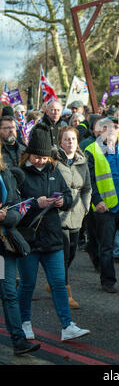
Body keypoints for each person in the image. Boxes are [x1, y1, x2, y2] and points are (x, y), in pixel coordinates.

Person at [16, 124, 90, 341]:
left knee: (59, 283)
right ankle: (24, 322)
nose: (40, 160)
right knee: (27, 284)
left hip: (52, 236)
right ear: (28, 154)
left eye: (44, 157)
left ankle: (67, 325)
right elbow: (12, 207)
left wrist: (62, 201)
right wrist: (33, 204)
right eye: (36, 156)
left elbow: (68, 197)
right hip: (28, 238)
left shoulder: (54, 171)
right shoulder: (18, 174)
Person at [85, 116, 119, 293]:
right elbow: (90, 180)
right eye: (108, 127)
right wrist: (97, 200)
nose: (113, 130)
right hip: (106, 206)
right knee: (106, 246)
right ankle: (108, 281)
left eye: (115, 127)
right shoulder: (92, 150)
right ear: (100, 131)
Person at [0, 144, 41, 356]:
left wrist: (7, 217)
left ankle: (18, 340)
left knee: (8, 292)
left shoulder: (5, 174)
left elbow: (17, 209)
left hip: (3, 244)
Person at [55, 126, 92, 309]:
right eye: (67, 139)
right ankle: (64, 292)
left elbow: (87, 188)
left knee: (72, 252)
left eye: (73, 139)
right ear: (60, 142)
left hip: (77, 213)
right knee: (63, 254)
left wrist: (85, 207)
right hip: (59, 214)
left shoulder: (82, 160)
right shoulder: (53, 161)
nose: (70, 142)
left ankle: (55, 281)